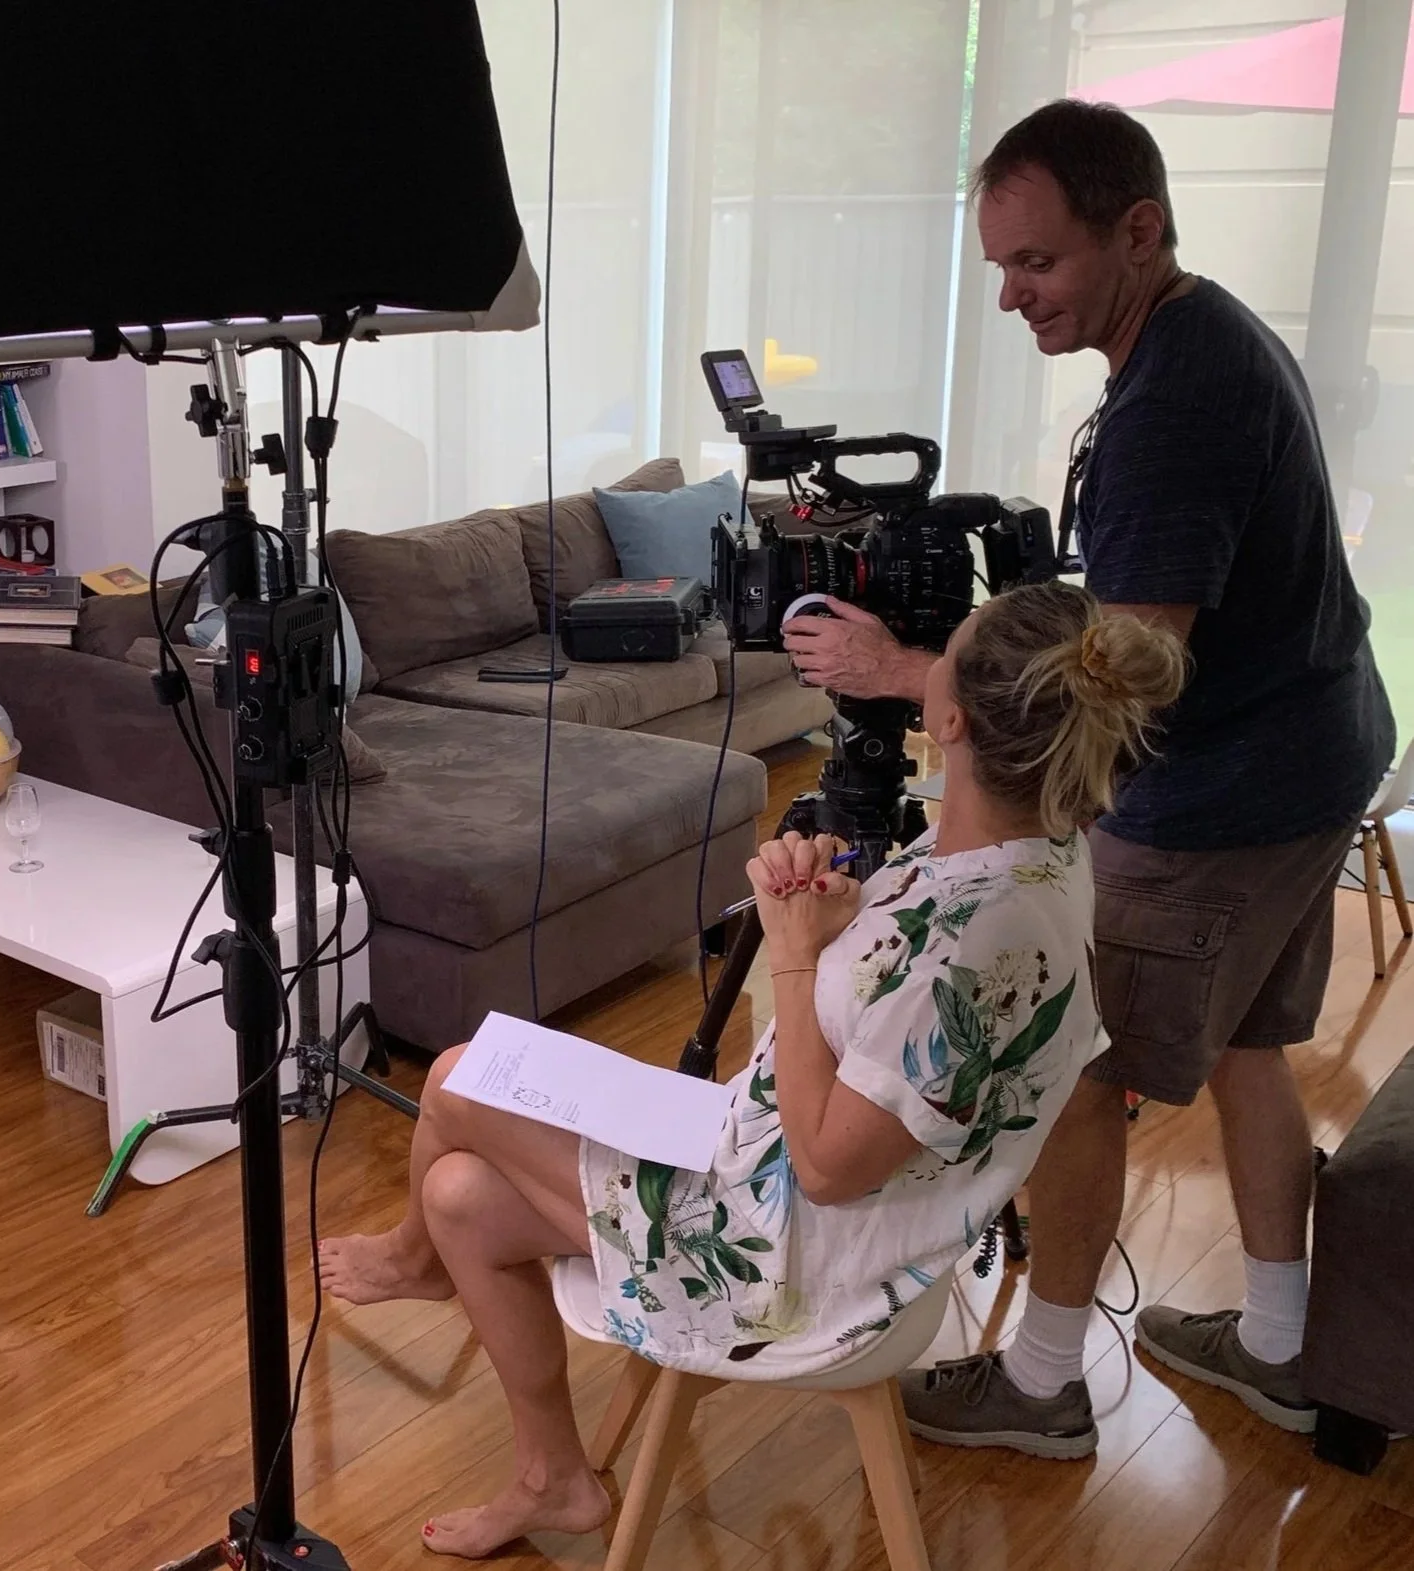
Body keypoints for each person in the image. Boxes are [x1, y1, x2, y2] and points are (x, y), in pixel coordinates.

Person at [318, 582, 1186, 1557]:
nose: (928, 654)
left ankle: (414, 1264)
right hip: (797, 1183)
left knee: (457, 1081)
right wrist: (838, 905)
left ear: (950, 715)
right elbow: (902, 1021)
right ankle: (552, 1478)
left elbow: (826, 1163)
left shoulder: (970, 945)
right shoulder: (1040, 861)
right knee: (462, 1189)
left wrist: (794, 948)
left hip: (789, 1262)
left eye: (945, 648)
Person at [784, 100, 1397, 1453]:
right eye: (999, 265)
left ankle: (1046, 1379)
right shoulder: (1202, 330)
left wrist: (910, 676)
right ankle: (1283, 1345)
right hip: (1316, 747)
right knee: (1249, 1048)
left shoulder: (1172, 407)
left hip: (1226, 797)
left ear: (1135, 231)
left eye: (1038, 264)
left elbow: (1115, 679)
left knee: (1072, 1068)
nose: (1010, 296)